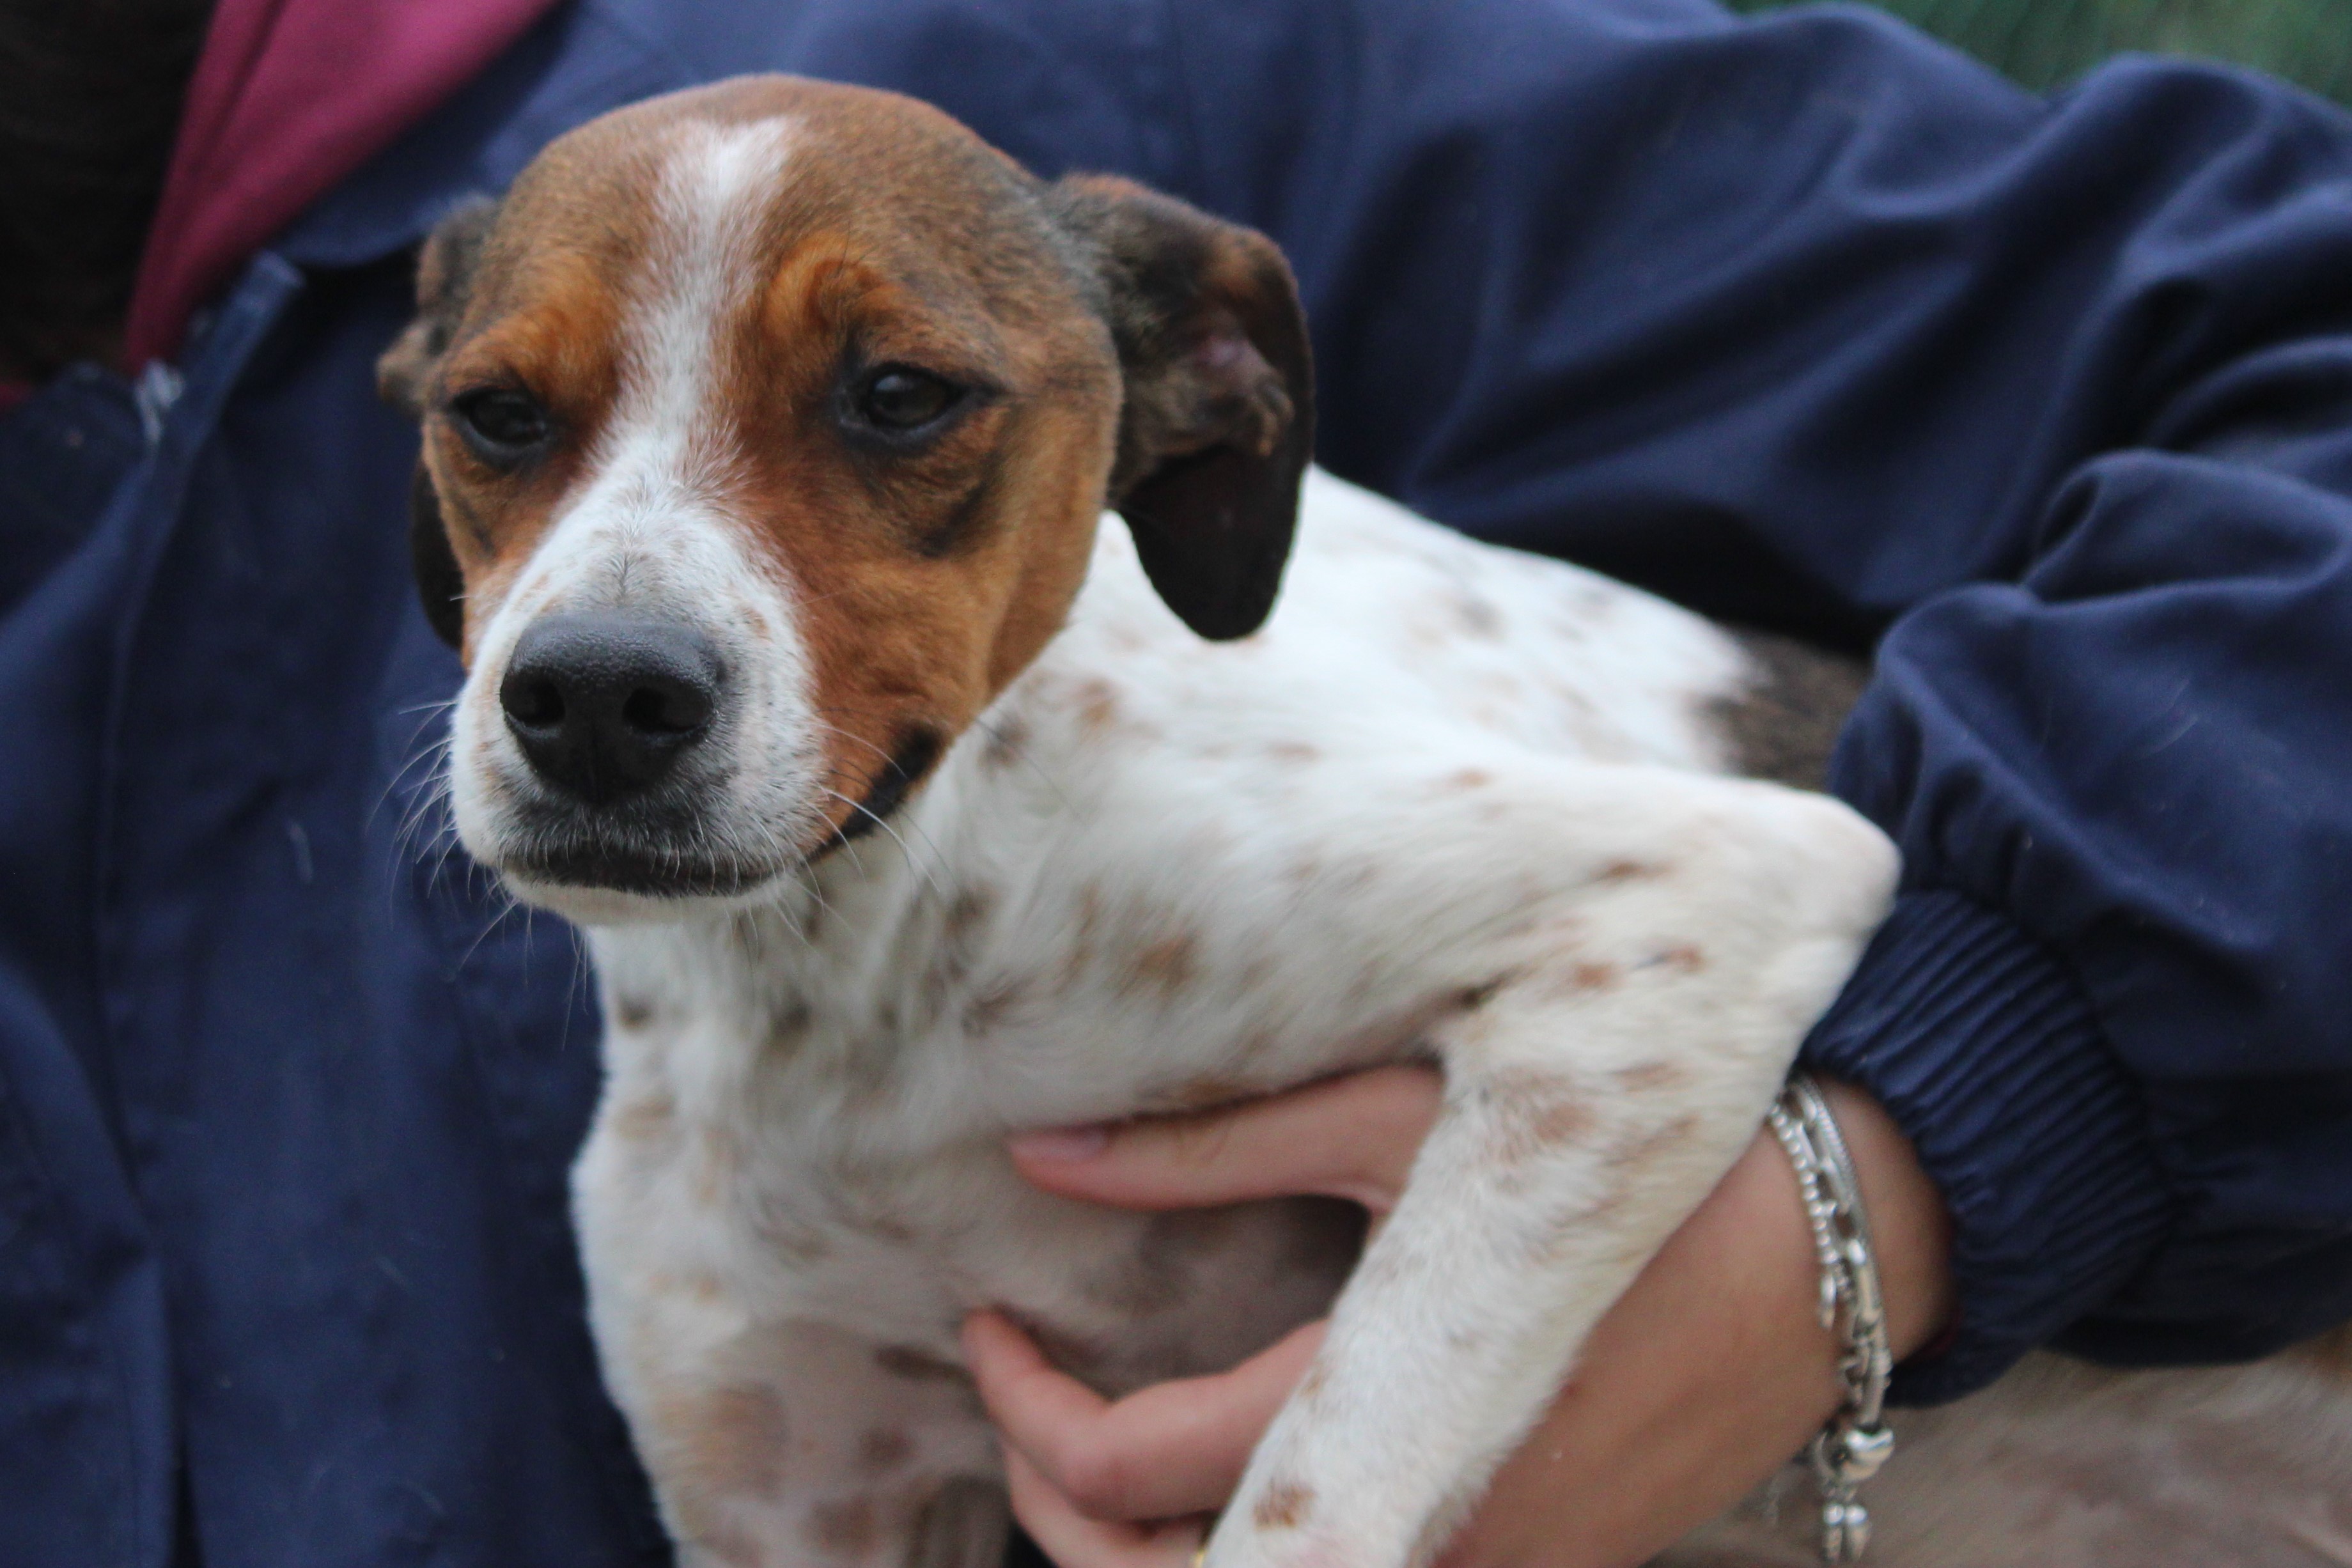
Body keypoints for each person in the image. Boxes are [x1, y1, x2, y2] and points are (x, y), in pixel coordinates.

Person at [4, 1, 2349, 1564]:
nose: (608, 640)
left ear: (1200, 415)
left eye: (895, 407)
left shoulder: (1119, 65)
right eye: (512, 423)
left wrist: (1909, 1162)